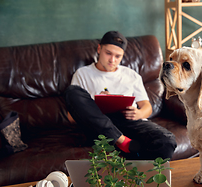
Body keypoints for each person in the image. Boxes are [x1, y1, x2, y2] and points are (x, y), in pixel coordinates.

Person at [64, 31, 177, 160]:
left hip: (129, 122)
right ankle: (121, 141)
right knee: (72, 91)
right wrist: (96, 104)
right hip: (98, 123)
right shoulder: (82, 74)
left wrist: (139, 114)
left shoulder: (131, 75)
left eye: (118, 56)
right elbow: (72, 117)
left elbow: (147, 106)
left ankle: (129, 152)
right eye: (108, 53)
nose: (112, 60)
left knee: (167, 141)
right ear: (99, 49)